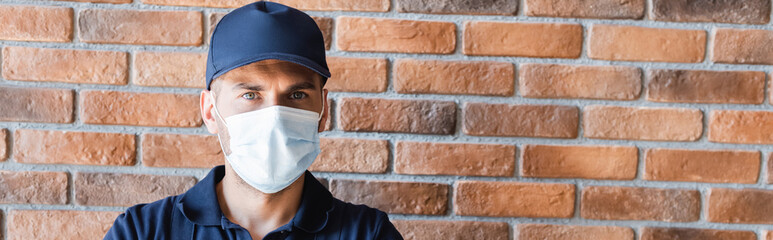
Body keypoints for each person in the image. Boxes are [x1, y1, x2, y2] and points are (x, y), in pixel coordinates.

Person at [104, 1, 404, 239]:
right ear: (210, 111)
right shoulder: (142, 232)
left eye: (297, 95)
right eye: (250, 95)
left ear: (322, 111)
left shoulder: (368, 233)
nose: (274, 118)